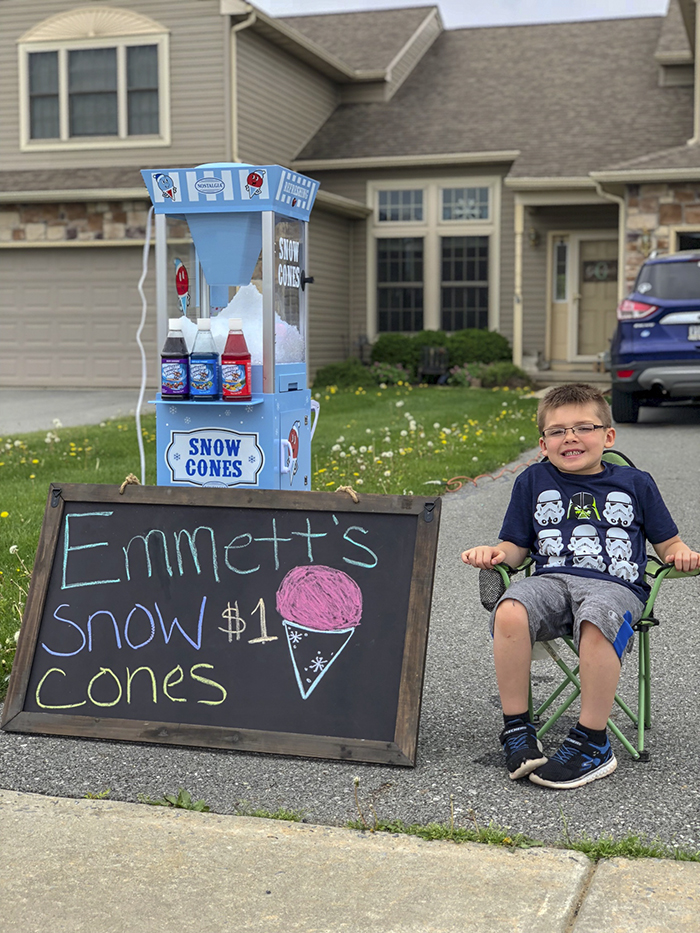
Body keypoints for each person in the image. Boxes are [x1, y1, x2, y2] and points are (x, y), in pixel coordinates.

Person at [461, 383, 700, 789]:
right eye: (557, 431)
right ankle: (517, 729)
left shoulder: (636, 483)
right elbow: (516, 547)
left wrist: (682, 553)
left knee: (596, 618)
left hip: (616, 588)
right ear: (543, 443)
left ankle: (593, 741)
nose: (570, 437)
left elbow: (668, 543)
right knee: (511, 607)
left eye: (583, 428)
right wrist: (496, 554)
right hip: (550, 580)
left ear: (607, 436)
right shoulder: (532, 481)